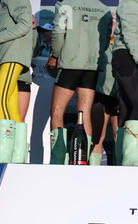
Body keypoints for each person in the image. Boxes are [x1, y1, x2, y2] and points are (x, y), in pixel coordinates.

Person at [47, 0, 112, 165]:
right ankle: (87, 161)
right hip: (92, 65)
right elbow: (105, 41)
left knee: (57, 111)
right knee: (84, 112)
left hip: (69, 62)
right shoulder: (104, 9)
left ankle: (58, 160)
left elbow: (58, 33)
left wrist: (55, 55)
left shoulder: (65, 5)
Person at [112, 0, 138, 167]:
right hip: (127, 57)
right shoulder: (131, 3)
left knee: (127, 108)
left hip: (128, 57)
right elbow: (129, 34)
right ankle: (129, 158)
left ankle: (122, 158)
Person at [0, 0, 33, 164]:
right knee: (10, 105)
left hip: (12, 54)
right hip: (5, 56)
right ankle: (18, 154)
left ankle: (5, 152)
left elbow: (25, 24)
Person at [89, 13, 119, 166]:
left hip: (118, 93)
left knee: (118, 134)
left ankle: (123, 170)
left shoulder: (121, 43)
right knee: (98, 136)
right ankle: (93, 168)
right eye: (109, 24)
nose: (111, 27)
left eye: (114, 24)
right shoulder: (98, 43)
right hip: (102, 93)